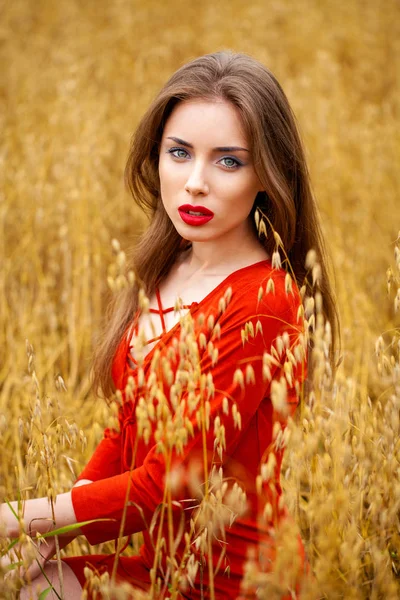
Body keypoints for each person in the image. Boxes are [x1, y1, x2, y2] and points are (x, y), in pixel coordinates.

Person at [1, 51, 337, 599]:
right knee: (31, 583)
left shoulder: (264, 301)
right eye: (179, 153)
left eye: (229, 161)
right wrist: (57, 533)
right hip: (154, 564)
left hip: (236, 581)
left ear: (269, 175)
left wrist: (17, 518)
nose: (195, 183)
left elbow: (172, 486)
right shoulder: (164, 266)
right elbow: (126, 428)